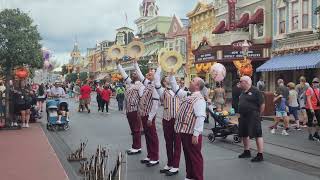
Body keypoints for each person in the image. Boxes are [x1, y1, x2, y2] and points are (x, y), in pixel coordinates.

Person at [169, 72, 206, 180]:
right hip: (184, 131)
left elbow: (200, 117)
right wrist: (171, 75)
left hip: (191, 133)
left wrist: (196, 134)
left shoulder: (199, 99)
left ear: (197, 86)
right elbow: (175, 88)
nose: (190, 81)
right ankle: (190, 176)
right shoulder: (188, 94)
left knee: (195, 157)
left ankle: (198, 177)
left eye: (193, 81)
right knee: (188, 156)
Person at [154, 66, 181, 176]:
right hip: (167, 119)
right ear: (164, 83)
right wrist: (160, 66)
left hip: (178, 120)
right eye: (167, 79)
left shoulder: (180, 91)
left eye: (170, 79)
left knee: (177, 144)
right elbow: (156, 80)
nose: (169, 80)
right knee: (168, 143)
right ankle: (169, 163)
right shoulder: (162, 91)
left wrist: (171, 74)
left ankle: (175, 166)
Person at [134, 60, 160, 167]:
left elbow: (155, 104)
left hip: (149, 115)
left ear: (155, 76)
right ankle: (150, 155)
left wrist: (150, 117)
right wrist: (135, 63)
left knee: (152, 136)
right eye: (148, 73)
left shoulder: (155, 87)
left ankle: (155, 157)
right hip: (144, 114)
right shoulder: (148, 84)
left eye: (151, 73)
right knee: (148, 136)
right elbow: (140, 75)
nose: (148, 74)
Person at [117, 62, 143, 155]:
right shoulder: (130, 83)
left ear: (139, 76)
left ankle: (137, 147)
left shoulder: (141, 85)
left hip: (135, 110)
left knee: (136, 129)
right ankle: (136, 146)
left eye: (135, 73)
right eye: (132, 73)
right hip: (129, 110)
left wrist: (140, 110)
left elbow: (141, 98)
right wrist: (118, 64)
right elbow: (124, 74)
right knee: (133, 129)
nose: (133, 74)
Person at [238, 76, 265, 162]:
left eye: (240, 81)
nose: (239, 83)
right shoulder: (242, 91)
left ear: (246, 82)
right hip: (243, 115)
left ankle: (260, 154)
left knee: (257, 134)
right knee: (244, 134)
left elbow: (262, 104)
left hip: (253, 116)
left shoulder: (256, 91)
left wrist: (258, 114)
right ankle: (247, 151)